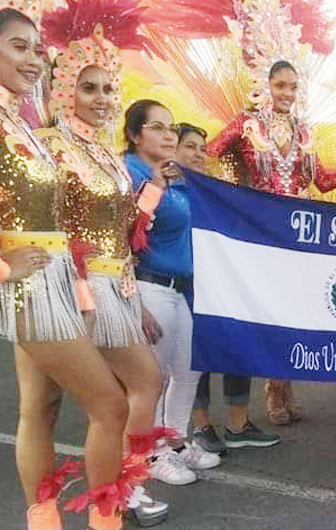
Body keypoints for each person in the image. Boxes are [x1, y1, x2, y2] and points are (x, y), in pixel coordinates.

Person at [38, 8, 176, 525]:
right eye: (89, 88)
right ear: (65, 90)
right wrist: (82, 298)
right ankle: (77, 505)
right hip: (76, 286)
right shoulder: (52, 147)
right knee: (52, 406)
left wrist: (157, 185)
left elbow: (126, 232)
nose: (100, 99)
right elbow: (59, 230)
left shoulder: (107, 157)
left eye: (107, 89)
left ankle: (122, 489)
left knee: (140, 386)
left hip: (117, 283)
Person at [0, 6, 133, 530]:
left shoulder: (19, 122)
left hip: (53, 279)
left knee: (41, 409)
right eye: (18, 47)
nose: (34, 60)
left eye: (37, 50)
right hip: (28, 286)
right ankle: (106, 522)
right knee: (110, 405)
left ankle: (44, 522)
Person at [207, 60, 336, 426]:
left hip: (298, 235)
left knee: (293, 313)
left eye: (293, 86)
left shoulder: (304, 132)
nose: (287, 93)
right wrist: (234, 198)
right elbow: (209, 156)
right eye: (280, 85)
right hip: (260, 235)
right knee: (270, 313)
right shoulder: (245, 124)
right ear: (266, 86)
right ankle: (273, 388)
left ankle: (284, 385)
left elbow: (322, 182)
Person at [123, 100, 223, 485]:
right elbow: (128, 229)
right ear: (134, 135)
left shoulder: (172, 178)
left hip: (179, 291)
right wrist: (133, 300)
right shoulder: (131, 171)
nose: (167, 135)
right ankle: (150, 455)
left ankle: (176, 442)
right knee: (153, 380)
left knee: (188, 370)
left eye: (170, 129)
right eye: (158, 128)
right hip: (150, 286)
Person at [174, 122, 279, 452]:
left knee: (238, 345)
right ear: (172, 148)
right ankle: (201, 426)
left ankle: (238, 423)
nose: (198, 154)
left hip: (222, 283)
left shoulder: (212, 190)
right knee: (197, 356)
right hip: (184, 287)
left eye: (201, 149)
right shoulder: (161, 188)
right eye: (189, 146)